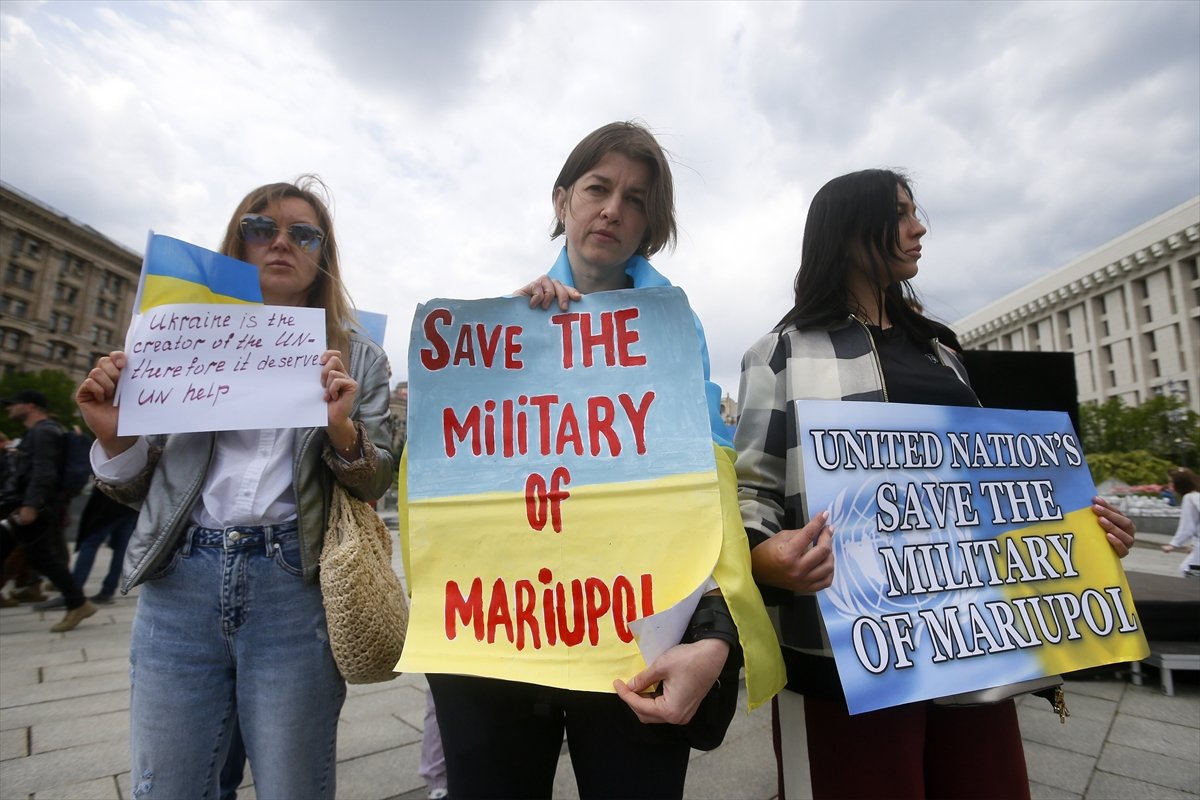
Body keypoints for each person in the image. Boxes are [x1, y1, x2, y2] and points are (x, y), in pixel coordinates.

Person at [733, 168, 1138, 800]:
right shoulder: (780, 353)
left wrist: (1081, 534)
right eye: (900, 214)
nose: (919, 228)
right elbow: (753, 492)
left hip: (970, 646)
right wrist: (765, 558)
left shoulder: (944, 354)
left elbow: (996, 487)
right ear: (848, 230)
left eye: (915, 213)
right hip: (845, 654)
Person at [423, 121, 782, 800]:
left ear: (650, 225)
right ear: (563, 202)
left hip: (633, 638)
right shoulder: (502, 335)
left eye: (637, 199)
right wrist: (518, 356)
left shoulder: (675, 335)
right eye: (598, 188)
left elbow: (709, 494)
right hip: (513, 649)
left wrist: (715, 630)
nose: (614, 208)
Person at [74, 177, 395, 799]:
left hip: (292, 584)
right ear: (237, 243)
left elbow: (376, 477)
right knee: (165, 785)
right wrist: (114, 436)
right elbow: (143, 491)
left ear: (322, 255)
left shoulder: (361, 359)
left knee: (292, 784)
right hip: (182, 584)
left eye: (303, 234)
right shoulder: (178, 336)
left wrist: (341, 427)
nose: (281, 243)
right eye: (261, 228)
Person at [0, 390, 95, 631]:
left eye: (13, 404)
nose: (8, 409)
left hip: (32, 507)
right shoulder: (41, 432)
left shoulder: (44, 432)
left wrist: (31, 505)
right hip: (25, 505)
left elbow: (44, 471)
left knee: (43, 558)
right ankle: (78, 602)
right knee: (41, 557)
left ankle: (78, 602)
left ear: (30, 406)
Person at [1162, 467, 1199, 577]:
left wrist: (1173, 544)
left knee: (1187, 569)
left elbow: (1187, 526)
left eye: (1171, 481)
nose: (1169, 485)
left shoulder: (1189, 498)